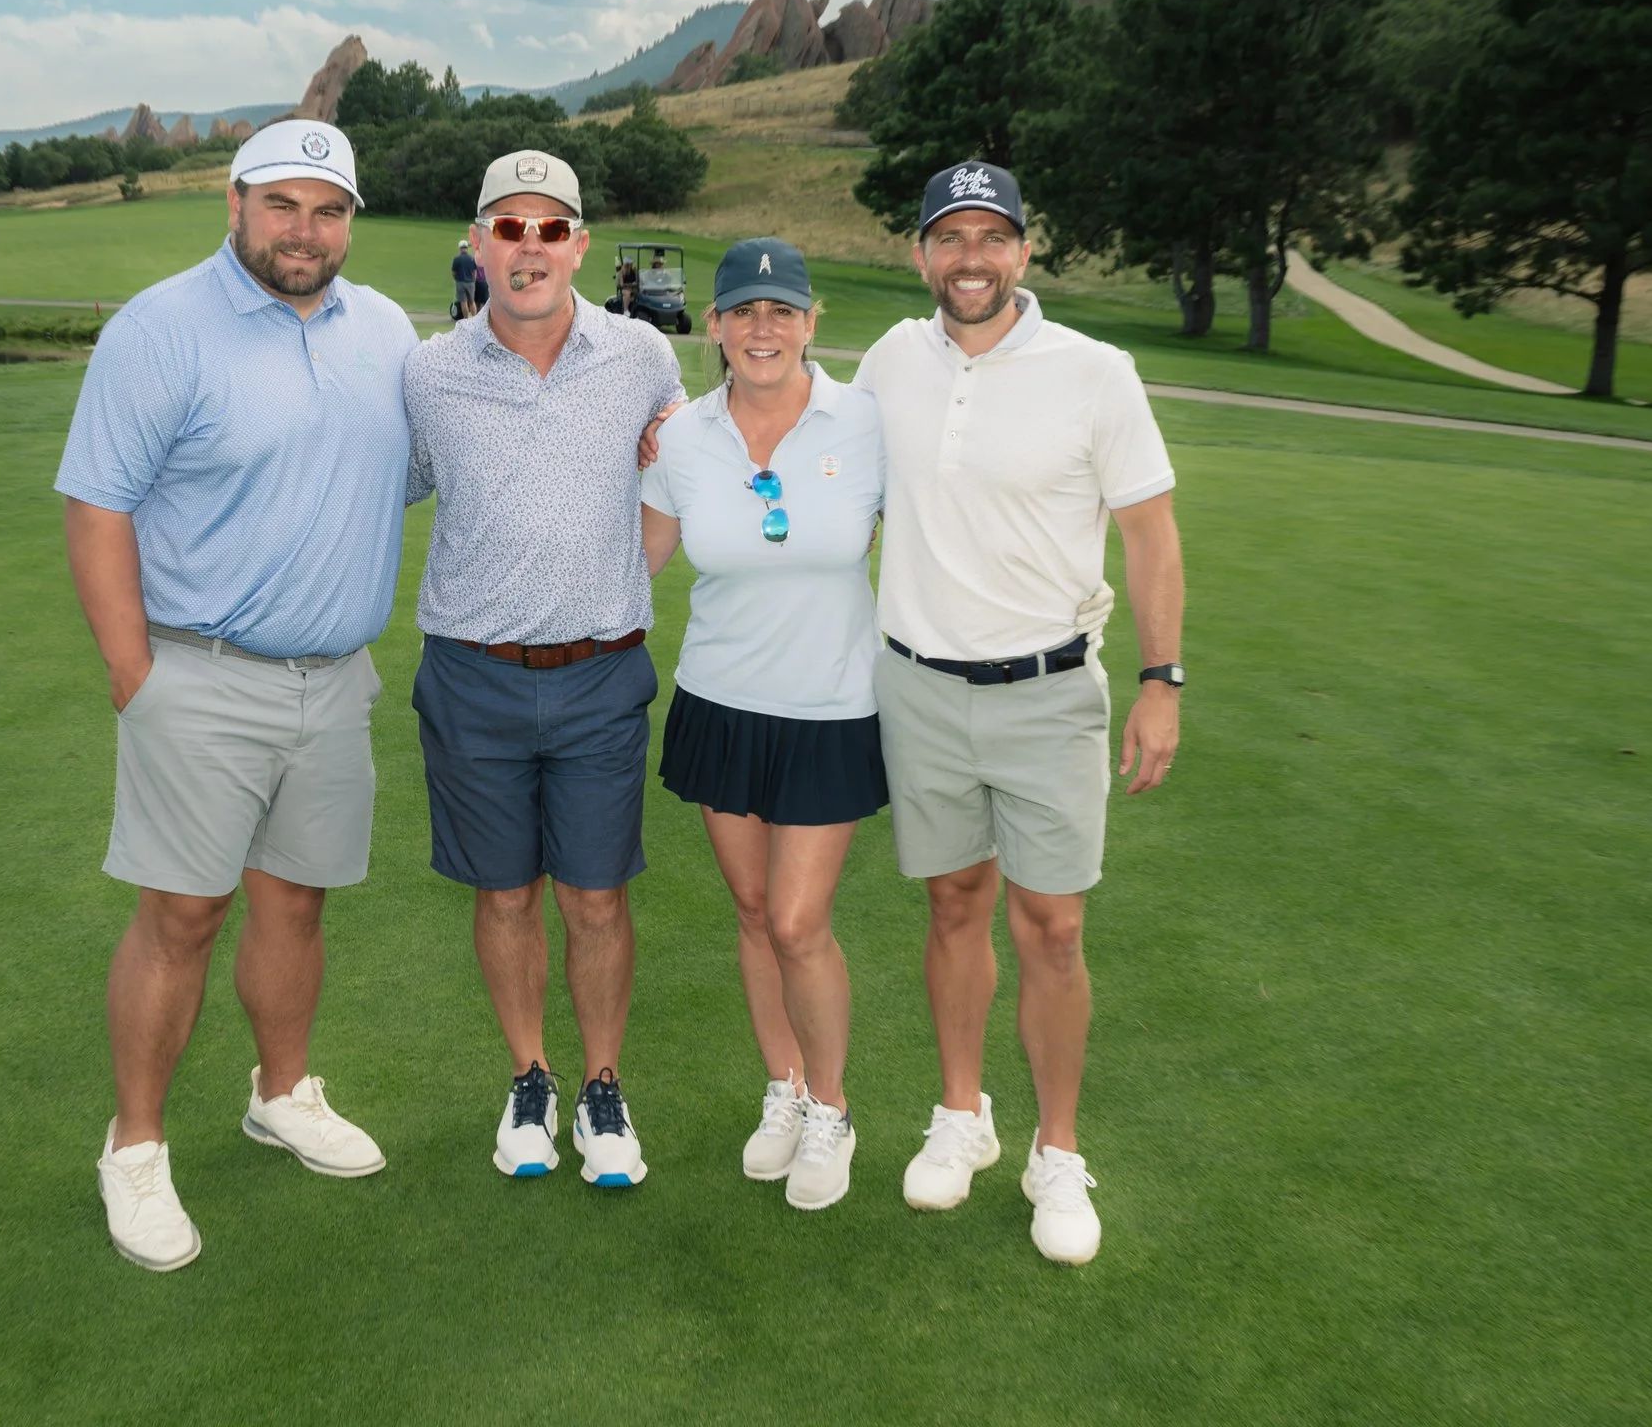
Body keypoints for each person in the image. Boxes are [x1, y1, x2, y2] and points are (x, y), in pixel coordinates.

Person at [55, 120, 414, 1271]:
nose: (305, 232)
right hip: (200, 675)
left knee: (296, 903)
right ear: (235, 203)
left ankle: (280, 1091)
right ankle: (136, 1146)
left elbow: (414, 468)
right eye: (284, 206)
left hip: (335, 677)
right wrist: (134, 675)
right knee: (182, 916)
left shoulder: (387, 329)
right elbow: (96, 506)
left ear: (350, 220)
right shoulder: (160, 327)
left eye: (329, 210)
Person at [857, 161, 1184, 1266]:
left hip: (1048, 693)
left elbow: (1149, 534)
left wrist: (1161, 679)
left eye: (991, 237)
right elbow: (811, 453)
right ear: (920, 255)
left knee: (1051, 927)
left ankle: (1056, 1148)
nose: (970, 259)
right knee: (953, 903)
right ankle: (962, 1114)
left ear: (1024, 253)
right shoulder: (893, 360)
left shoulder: (1096, 373)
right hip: (918, 684)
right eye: (949, 237)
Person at [403, 148, 686, 1189]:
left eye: (549, 228)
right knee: (504, 893)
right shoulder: (429, 371)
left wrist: (616, 586)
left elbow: (671, 477)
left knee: (597, 897)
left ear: (580, 246)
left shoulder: (643, 358)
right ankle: (530, 1075)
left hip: (601, 675)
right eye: (507, 228)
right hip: (470, 673)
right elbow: (380, 485)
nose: (529, 248)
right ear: (476, 244)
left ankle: (603, 1085)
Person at [639, 237, 885, 1212]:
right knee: (751, 914)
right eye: (743, 311)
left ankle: (832, 1106)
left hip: (829, 707)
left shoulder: (866, 421)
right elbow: (637, 558)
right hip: (721, 702)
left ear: (811, 321)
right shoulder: (683, 438)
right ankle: (781, 1087)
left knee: (796, 920)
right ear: (716, 326)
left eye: (781, 311)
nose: (762, 328)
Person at [451, 241, 479, 319]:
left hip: (460, 282)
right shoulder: (472, 258)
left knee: (464, 302)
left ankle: (466, 319)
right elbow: (474, 272)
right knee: (472, 302)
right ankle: (474, 319)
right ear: (466, 248)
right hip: (470, 283)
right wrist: (473, 280)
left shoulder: (457, 259)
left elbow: (453, 273)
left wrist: (456, 279)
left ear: (460, 248)